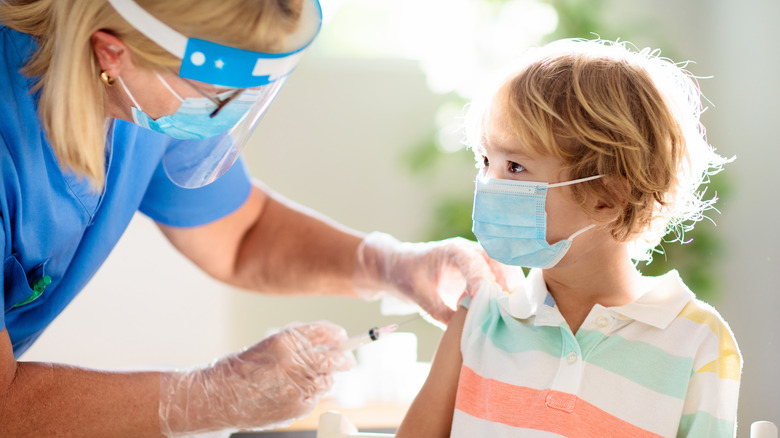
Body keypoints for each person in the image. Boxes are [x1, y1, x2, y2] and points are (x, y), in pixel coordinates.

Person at [0, 0, 507, 436]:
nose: (229, 112)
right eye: (218, 95)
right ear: (112, 52)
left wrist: (392, 266)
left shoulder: (142, 93)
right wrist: (208, 395)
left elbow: (240, 234)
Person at [396, 39, 742, 437]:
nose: (489, 185)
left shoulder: (695, 340)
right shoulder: (482, 315)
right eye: (484, 160)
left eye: (515, 166)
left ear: (606, 198)